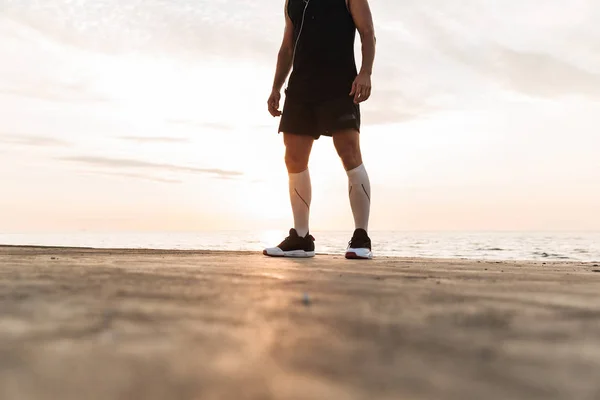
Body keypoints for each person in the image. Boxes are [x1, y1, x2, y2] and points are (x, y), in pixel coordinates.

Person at [263, 0, 376, 259]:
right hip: (301, 88)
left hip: (340, 84)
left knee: (349, 152)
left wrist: (366, 72)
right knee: (293, 157)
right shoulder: (292, 2)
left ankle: (361, 237)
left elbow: (368, 32)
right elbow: (287, 47)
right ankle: (301, 238)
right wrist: (276, 87)